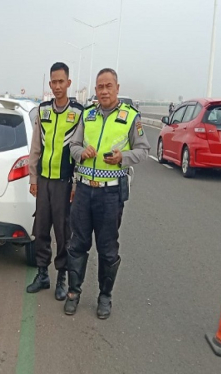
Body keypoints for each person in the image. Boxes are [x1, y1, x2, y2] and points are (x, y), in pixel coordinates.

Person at [64, 68, 150, 318]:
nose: (103, 91)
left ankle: (104, 296)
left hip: (110, 195)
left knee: (107, 248)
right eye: (99, 87)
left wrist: (124, 157)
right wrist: (81, 154)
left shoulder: (131, 117)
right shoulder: (87, 115)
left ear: (117, 88)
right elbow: (73, 145)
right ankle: (73, 292)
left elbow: (143, 150)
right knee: (77, 243)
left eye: (108, 86)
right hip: (83, 191)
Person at [26, 62, 82, 301]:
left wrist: (77, 184)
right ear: (49, 84)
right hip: (44, 181)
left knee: (63, 232)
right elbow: (36, 146)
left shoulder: (79, 113)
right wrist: (33, 177)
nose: (57, 86)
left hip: (64, 183)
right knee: (40, 229)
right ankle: (42, 274)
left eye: (61, 81)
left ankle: (61, 277)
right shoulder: (43, 110)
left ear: (68, 83)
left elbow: (80, 150)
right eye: (54, 82)